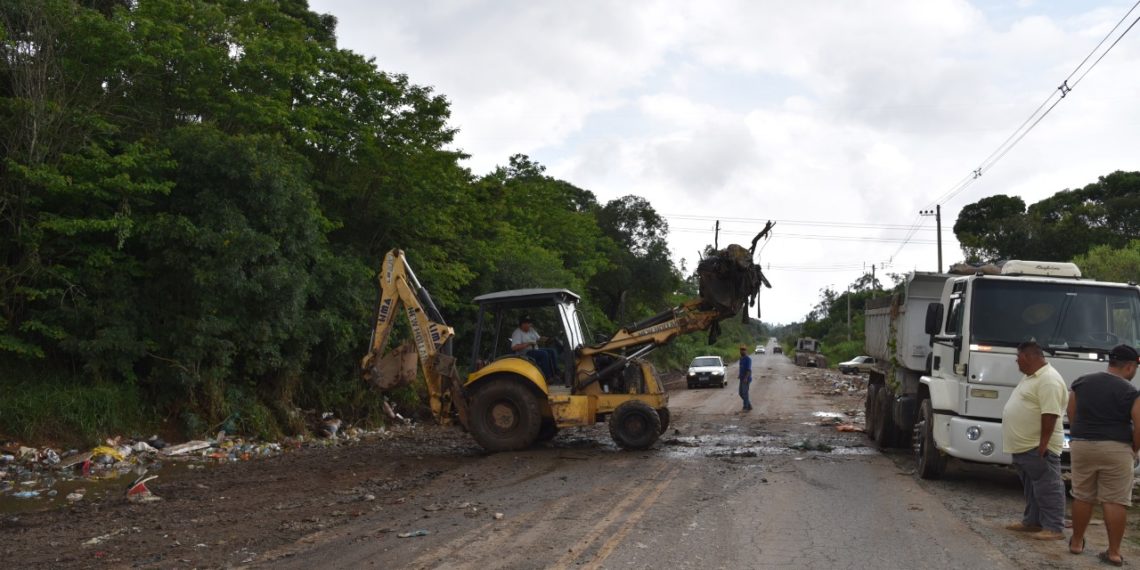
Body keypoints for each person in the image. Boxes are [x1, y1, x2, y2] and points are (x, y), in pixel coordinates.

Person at [1066, 344, 1140, 565]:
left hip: (1082, 445)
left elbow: (1072, 412)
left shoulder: (1081, 383)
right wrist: (1133, 450)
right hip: (1116, 447)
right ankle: (1114, 552)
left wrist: (1081, 434)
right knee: (1115, 500)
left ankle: (1077, 542)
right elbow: (1139, 425)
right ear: (1129, 366)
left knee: (1082, 494)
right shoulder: (1131, 392)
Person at [1002, 341, 1068, 541]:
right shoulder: (1031, 377)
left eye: (1018, 358)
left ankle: (1054, 527)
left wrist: (1043, 444)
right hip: (1024, 446)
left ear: (1030, 357)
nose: (1016, 362)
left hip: (1038, 447)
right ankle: (1032, 521)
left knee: (1048, 486)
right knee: (1032, 487)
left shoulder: (1048, 380)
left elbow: (1050, 414)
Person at [510, 316, 557, 380]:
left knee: (552, 351)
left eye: (530, 323)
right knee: (544, 354)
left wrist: (548, 339)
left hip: (534, 350)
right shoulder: (517, 333)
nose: (530, 324)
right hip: (525, 354)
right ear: (523, 324)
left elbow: (539, 338)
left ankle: (556, 373)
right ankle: (547, 377)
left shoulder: (531, 330)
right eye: (528, 323)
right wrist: (528, 343)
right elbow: (514, 347)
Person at [738, 345, 753, 411]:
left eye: (743, 350)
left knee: (745, 393)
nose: (742, 351)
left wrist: (746, 378)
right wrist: (739, 375)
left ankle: (746, 407)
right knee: (741, 393)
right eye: (741, 350)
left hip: (746, 379)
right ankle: (749, 405)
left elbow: (748, 370)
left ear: (746, 351)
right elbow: (741, 368)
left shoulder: (748, 359)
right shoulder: (741, 359)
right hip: (742, 378)